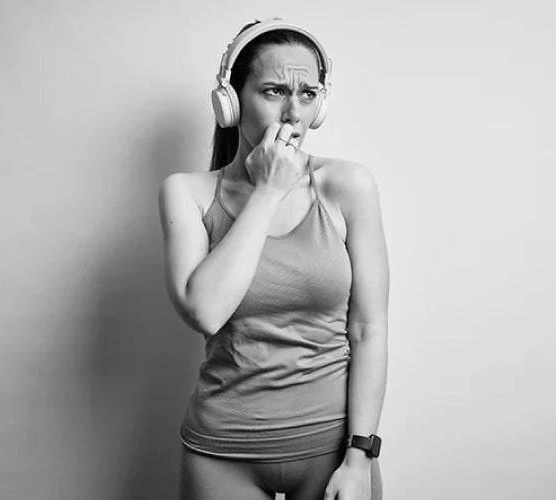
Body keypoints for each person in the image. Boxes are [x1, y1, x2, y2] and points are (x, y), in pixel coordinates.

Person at [158, 18, 389, 500]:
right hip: (221, 452)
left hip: (333, 453)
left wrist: (359, 456)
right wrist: (268, 191)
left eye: (308, 95)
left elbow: (368, 329)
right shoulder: (188, 194)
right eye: (274, 90)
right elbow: (205, 311)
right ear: (230, 101)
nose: (293, 114)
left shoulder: (348, 186)